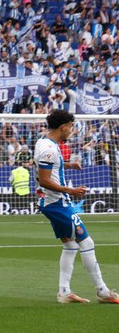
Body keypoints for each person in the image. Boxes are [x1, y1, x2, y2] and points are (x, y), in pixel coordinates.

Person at [34, 110, 119, 304]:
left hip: (51, 202)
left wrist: (69, 166)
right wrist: (70, 190)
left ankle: (64, 292)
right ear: (63, 126)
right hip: (57, 202)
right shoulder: (49, 149)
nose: (72, 131)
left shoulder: (43, 142)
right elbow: (45, 180)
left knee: (71, 245)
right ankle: (103, 291)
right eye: (71, 127)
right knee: (86, 243)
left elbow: (47, 169)